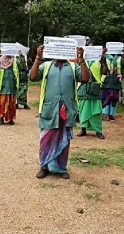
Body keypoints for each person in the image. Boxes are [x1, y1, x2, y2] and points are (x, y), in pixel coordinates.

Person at [30, 45, 90, 179]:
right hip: (49, 109)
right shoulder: (46, 65)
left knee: (64, 139)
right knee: (46, 138)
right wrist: (38, 58)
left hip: (66, 110)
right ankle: (44, 166)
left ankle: (61, 168)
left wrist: (81, 60)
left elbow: (85, 79)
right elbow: (33, 77)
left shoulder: (74, 67)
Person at [0, 50, 25, 125]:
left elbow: (23, 68)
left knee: (11, 102)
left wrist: (20, 57)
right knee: (2, 102)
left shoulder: (15, 60)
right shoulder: (0, 60)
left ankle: (11, 118)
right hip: (2, 85)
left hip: (12, 85)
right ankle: (1, 118)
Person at [77, 56, 107, 139]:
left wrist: (104, 63)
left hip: (95, 87)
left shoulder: (99, 61)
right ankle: (83, 129)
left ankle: (98, 131)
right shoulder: (81, 60)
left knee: (96, 109)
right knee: (83, 109)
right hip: (83, 87)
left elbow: (104, 73)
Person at [101, 48, 122, 121]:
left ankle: (111, 114)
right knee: (105, 97)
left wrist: (123, 54)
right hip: (106, 81)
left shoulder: (119, 58)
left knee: (114, 98)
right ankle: (104, 114)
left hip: (116, 81)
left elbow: (123, 65)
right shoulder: (105, 57)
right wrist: (104, 56)